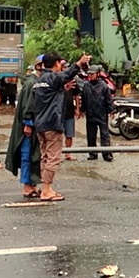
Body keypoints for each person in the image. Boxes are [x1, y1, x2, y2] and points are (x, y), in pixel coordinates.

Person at [33, 52, 90, 201]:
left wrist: (62, 89)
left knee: (45, 157)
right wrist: (79, 62)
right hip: (52, 123)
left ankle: (46, 188)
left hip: (40, 124)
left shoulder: (40, 80)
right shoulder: (53, 77)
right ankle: (46, 190)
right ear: (57, 63)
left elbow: (49, 97)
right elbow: (69, 73)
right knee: (53, 157)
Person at [6, 55, 42, 198]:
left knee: (34, 155)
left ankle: (32, 184)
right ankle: (27, 186)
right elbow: (28, 106)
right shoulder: (31, 84)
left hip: (34, 125)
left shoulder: (35, 82)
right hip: (28, 127)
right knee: (27, 155)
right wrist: (28, 124)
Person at [80, 65, 115, 162]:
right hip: (90, 114)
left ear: (98, 74)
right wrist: (82, 110)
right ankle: (93, 153)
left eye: (92, 74)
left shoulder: (103, 85)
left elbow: (108, 99)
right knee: (91, 135)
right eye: (89, 74)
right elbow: (84, 98)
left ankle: (107, 154)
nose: (90, 76)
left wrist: (112, 110)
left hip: (102, 114)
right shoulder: (86, 85)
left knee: (105, 135)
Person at [61, 60, 80, 161]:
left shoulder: (73, 81)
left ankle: (67, 153)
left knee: (69, 134)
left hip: (69, 112)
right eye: (64, 67)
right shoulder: (58, 80)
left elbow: (76, 95)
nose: (66, 69)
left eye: (67, 67)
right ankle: (56, 154)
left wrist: (77, 109)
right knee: (57, 135)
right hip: (58, 112)